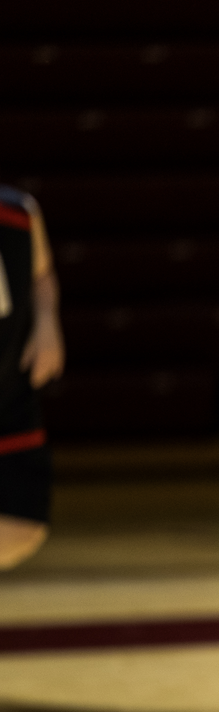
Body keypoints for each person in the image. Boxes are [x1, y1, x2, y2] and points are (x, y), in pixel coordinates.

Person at [0, 186, 63, 570]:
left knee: (27, 524)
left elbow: (42, 275)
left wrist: (47, 323)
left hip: (7, 396)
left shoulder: (19, 214)